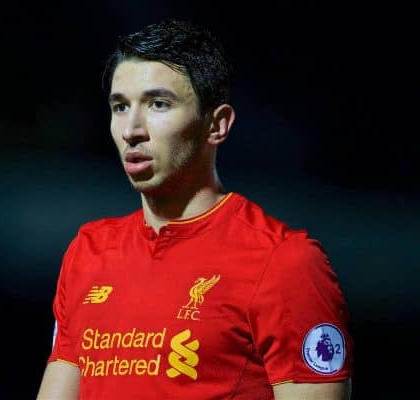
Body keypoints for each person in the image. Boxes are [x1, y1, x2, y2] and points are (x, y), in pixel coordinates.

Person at [37, 19, 353, 400]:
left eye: (158, 104)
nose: (131, 129)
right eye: (120, 106)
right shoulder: (88, 252)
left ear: (216, 125)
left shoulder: (284, 262)